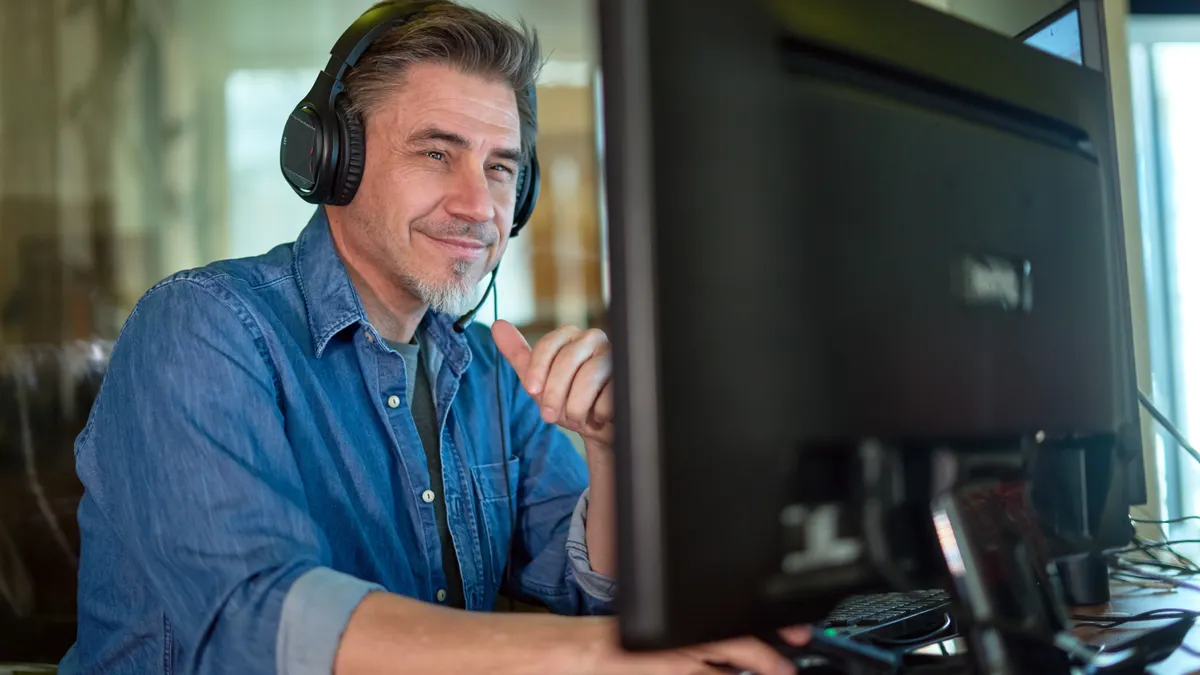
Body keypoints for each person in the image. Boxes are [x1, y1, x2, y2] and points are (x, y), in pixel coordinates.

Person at [59, 2, 810, 674]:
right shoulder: (202, 328)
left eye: (501, 167)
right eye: (436, 153)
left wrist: (610, 447)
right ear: (332, 159)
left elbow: (592, 591)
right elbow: (256, 623)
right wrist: (599, 655)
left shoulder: (487, 366)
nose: (479, 206)